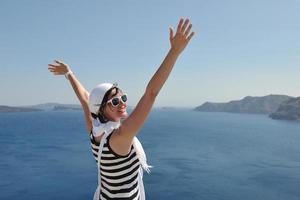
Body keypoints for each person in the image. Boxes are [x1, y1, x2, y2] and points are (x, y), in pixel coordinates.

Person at [48, 18, 195, 200]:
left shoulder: (94, 128)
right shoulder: (120, 138)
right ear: (101, 108)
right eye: (115, 102)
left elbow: (86, 97)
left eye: (122, 97)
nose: (122, 103)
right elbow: (151, 93)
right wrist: (174, 52)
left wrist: (69, 73)